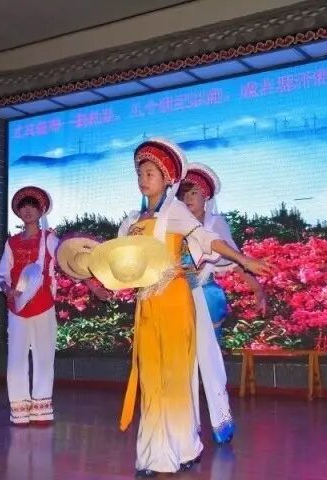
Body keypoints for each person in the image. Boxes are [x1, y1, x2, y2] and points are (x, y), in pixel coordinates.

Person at [113, 139, 271, 478]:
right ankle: (156, 454)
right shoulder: (131, 222)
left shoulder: (176, 212)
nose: (143, 179)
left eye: (150, 173)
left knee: (174, 377)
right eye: (140, 173)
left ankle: (179, 449)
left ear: (166, 178)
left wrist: (243, 260)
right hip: (146, 304)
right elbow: (118, 260)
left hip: (175, 299)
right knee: (151, 380)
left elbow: (206, 240)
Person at [0, 186, 107, 426]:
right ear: (18, 211)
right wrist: (7, 290)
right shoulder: (11, 243)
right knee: (16, 359)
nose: (27, 210)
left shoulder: (49, 239)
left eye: (32, 206)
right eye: (23, 206)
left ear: (41, 210)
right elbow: (3, 274)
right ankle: (19, 409)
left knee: (44, 358)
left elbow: (70, 264)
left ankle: (41, 409)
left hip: (43, 306)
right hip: (17, 307)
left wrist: (94, 286)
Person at [179, 163, 267, 445]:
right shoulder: (174, 224)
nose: (188, 198)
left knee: (209, 360)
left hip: (206, 296)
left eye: (194, 193)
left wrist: (257, 289)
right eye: (184, 193)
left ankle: (221, 422)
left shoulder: (214, 224)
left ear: (206, 196)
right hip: (177, 298)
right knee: (183, 364)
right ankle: (187, 425)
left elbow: (235, 259)